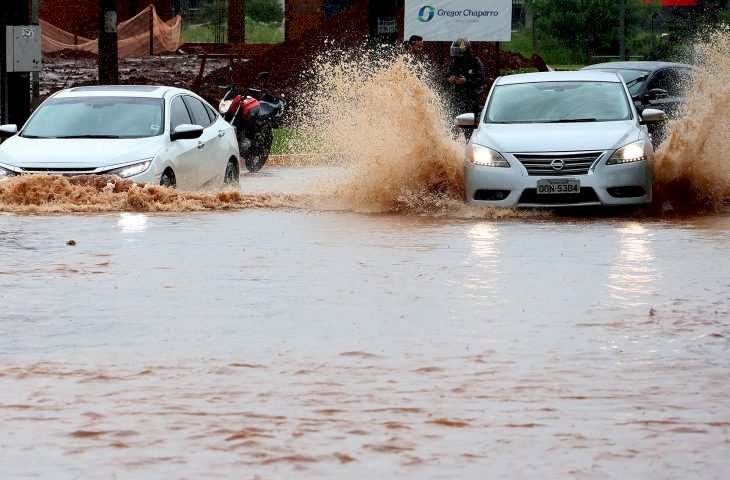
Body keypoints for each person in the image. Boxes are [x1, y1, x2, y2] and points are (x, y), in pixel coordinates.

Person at [445, 38, 484, 138]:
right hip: (457, 96)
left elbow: (480, 80)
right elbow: (445, 79)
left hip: (471, 98)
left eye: (457, 50)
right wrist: (450, 80)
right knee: (451, 124)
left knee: (469, 128)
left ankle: (469, 144)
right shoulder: (454, 62)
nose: (454, 53)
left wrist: (466, 81)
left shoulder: (475, 62)